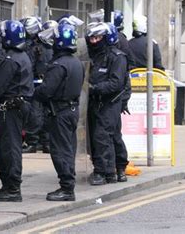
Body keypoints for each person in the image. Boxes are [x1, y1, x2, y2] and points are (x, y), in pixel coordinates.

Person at [0, 20, 34, 202]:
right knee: (8, 147)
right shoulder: (23, 56)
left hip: (10, 109)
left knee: (7, 148)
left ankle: (12, 188)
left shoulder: (11, 60)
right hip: (17, 107)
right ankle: (10, 186)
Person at [33, 18, 84, 201]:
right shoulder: (77, 63)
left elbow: (46, 91)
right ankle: (68, 185)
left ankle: (66, 188)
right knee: (69, 148)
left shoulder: (58, 65)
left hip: (60, 113)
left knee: (60, 150)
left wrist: (34, 91)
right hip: (72, 110)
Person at [86, 21, 129, 186]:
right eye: (92, 38)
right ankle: (112, 170)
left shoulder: (117, 57)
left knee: (103, 137)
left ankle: (105, 172)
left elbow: (116, 83)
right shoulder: (94, 56)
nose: (94, 41)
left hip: (110, 102)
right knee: (106, 137)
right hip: (95, 103)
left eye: (97, 37)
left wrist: (94, 88)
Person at [20, 17, 53, 154]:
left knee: (36, 114)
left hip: (36, 84)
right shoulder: (46, 46)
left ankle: (33, 142)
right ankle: (45, 142)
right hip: (45, 83)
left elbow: (30, 66)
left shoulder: (34, 47)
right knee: (45, 113)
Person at [105, 23, 130, 182]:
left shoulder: (118, 56)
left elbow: (123, 82)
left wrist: (123, 101)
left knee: (114, 135)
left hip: (114, 101)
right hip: (103, 102)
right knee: (106, 137)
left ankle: (120, 167)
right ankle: (109, 168)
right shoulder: (101, 55)